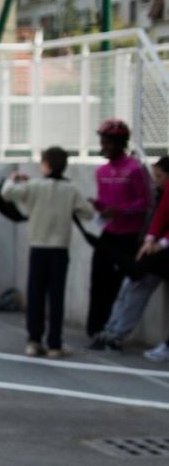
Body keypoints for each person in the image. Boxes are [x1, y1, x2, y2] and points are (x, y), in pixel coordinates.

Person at [0, 146, 96, 358]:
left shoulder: (34, 186)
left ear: (45, 165)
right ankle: (54, 344)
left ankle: (34, 341)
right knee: (56, 297)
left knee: (36, 295)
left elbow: (7, 193)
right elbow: (88, 213)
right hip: (59, 249)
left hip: (38, 247)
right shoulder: (70, 189)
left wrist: (14, 177)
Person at [92, 155, 169, 353]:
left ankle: (115, 334)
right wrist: (150, 239)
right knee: (131, 287)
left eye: (159, 176)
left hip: (161, 253)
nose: (155, 180)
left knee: (137, 287)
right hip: (153, 249)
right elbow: (159, 216)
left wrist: (160, 242)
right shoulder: (161, 191)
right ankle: (111, 330)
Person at [88, 119, 153, 340]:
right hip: (108, 233)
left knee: (118, 286)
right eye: (102, 142)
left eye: (108, 143)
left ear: (120, 143)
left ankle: (110, 330)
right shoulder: (101, 171)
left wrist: (119, 210)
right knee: (98, 279)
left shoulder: (135, 169)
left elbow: (145, 202)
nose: (104, 147)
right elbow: (104, 203)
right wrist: (99, 208)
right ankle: (94, 328)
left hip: (128, 236)